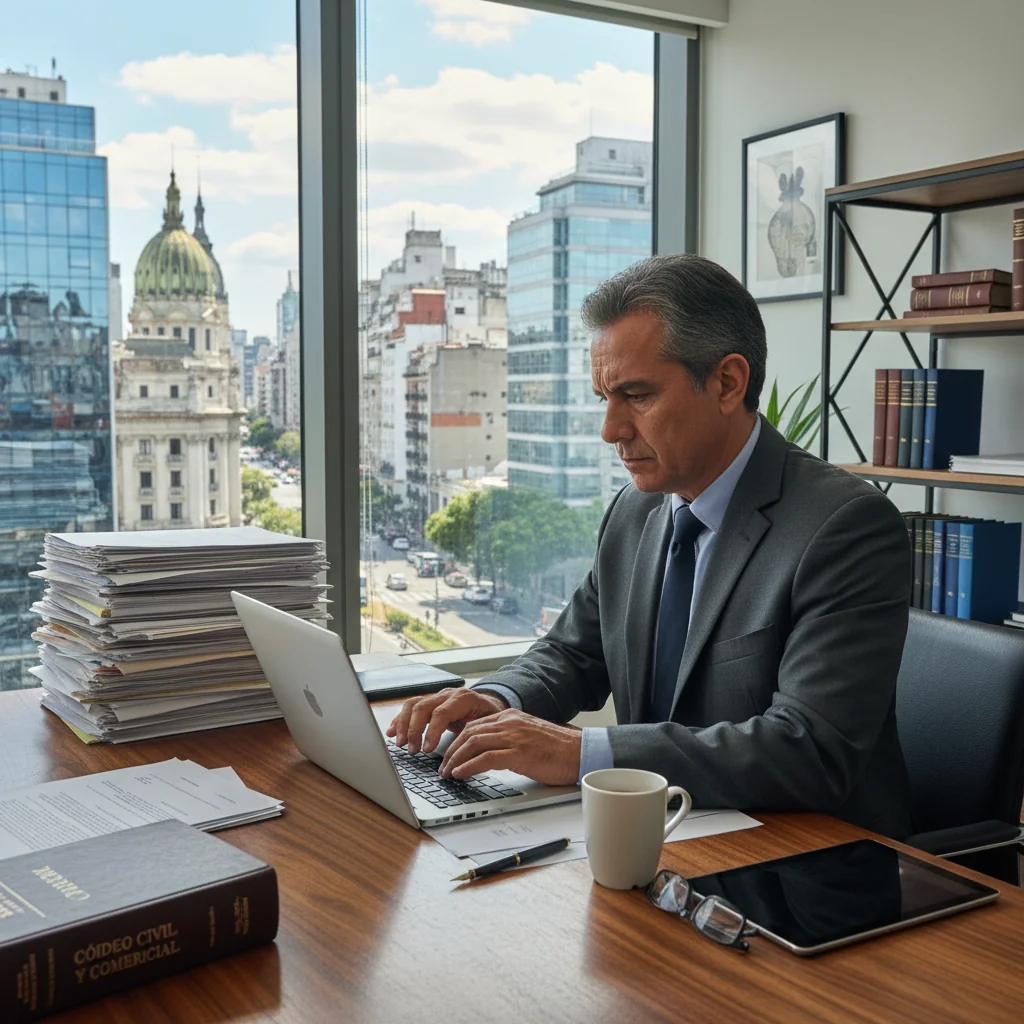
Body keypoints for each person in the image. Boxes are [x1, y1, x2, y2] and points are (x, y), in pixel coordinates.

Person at [388, 253, 914, 839]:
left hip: (800, 857)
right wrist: (496, 699)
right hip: (661, 838)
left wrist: (581, 753)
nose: (611, 430)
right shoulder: (635, 510)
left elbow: (809, 748)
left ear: (727, 382)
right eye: (605, 398)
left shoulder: (846, 527)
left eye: (636, 395)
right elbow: (574, 653)